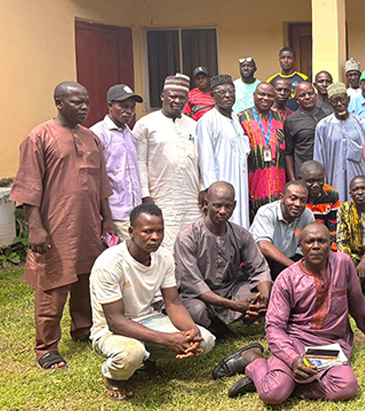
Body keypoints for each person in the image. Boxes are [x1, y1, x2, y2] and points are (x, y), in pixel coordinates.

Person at [216, 223, 365, 402]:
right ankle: (255, 359)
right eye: (309, 242)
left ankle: (285, 382)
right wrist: (293, 359)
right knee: (273, 394)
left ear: (331, 245)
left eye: (321, 241)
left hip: (330, 346)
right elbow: (274, 327)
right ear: (301, 247)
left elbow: (357, 301)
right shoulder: (286, 279)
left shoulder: (343, 264)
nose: (315, 246)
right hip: (295, 344)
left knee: (346, 387)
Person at [11, 81, 114, 370]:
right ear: (59, 103)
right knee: (52, 284)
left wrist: (107, 219)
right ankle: (46, 348)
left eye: (87, 103)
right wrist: (35, 227)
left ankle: (83, 329)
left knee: (86, 279)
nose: (84, 108)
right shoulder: (39, 136)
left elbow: (102, 183)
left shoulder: (91, 138)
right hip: (54, 224)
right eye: (76, 102)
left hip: (89, 224)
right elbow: (29, 185)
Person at [90, 203, 215, 400]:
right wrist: (166, 339)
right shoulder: (109, 263)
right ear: (131, 232)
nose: (155, 237)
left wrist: (192, 330)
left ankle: (147, 360)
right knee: (130, 353)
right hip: (109, 329)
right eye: (147, 231)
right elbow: (115, 320)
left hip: (147, 319)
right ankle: (114, 377)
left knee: (205, 341)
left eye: (159, 231)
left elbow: (173, 303)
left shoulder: (163, 256)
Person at [174, 182, 272, 338]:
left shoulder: (241, 234)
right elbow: (194, 285)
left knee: (258, 295)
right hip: (198, 296)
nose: (223, 211)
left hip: (229, 290)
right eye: (217, 206)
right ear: (206, 204)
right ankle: (218, 329)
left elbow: (259, 269)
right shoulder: (188, 237)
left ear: (234, 205)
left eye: (228, 206)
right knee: (196, 311)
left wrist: (265, 299)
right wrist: (235, 306)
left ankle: (239, 319)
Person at [134, 74, 202, 251]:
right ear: (162, 96)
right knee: (166, 246)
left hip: (191, 197)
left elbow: (201, 161)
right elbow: (140, 163)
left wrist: (203, 188)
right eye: (173, 96)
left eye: (182, 98)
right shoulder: (146, 124)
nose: (177, 101)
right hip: (161, 197)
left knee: (193, 242)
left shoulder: (194, 125)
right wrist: (145, 194)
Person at [91, 84, 144, 241]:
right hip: (115, 214)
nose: (128, 111)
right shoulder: (98, 134)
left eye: (132, 107)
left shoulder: (130, 134)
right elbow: (97, 179)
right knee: (120, 259)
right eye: (122, 106)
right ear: (109, 105)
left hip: (135, 211)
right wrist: (106, 218)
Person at [196, 74, 250, 227]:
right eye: (221, 92)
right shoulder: (208, 121)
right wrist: (211, 191)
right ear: (212, 95)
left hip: (240, 182)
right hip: (221, 183)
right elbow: (206, 160)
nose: (227, 95)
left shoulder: (236, 119)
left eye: (231, 91)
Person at [314, 82, 365, 202]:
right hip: (334, 182)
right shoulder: (323, 126)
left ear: (348, 100)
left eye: (342, 99)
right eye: (335, 101)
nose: (339, 104)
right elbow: (319, 159)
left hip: (360, 184)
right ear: (329, 103)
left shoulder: (362, 124)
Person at [238, 82, 288, 222]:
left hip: (278, 183)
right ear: (254, 96)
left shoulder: (281, 119)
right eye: (262, 94)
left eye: (270, 96)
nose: (265, 98)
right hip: (253, 182)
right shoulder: (241, 118)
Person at [249, 181, 315, 280]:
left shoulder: (307, 214)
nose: (297, 204)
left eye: (303, 200)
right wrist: (295, 268)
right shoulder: (266, 212)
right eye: (293, 198)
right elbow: (264, 246)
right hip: (266, 262)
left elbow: (313, 241)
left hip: (291, 260)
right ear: (282, 198)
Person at [285, 82, 331, 181]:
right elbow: (288, 153)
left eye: (310, 93)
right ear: (297, 100)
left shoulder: (328, 115)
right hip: (303, 175)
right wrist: (293, 180)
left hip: (328, 172)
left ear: (316, 95)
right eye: (302, 95)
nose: (307, 97)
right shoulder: (291, 120)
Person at [298, 160, 340, 243]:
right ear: (300, 179)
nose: (316, 185)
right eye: (310, 181)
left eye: (320, 180)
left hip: (323, 243)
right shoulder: (295, 196)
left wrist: (331, 248)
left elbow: (335, 227)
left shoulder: (331, 195)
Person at [267, 47, 308, 112]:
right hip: (276, 117)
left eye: (289, 58)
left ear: (295, 60)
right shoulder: (271, 80)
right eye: (283, 58)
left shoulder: (303, 79)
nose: (285, 60)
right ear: (279, 60)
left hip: (298, 117)